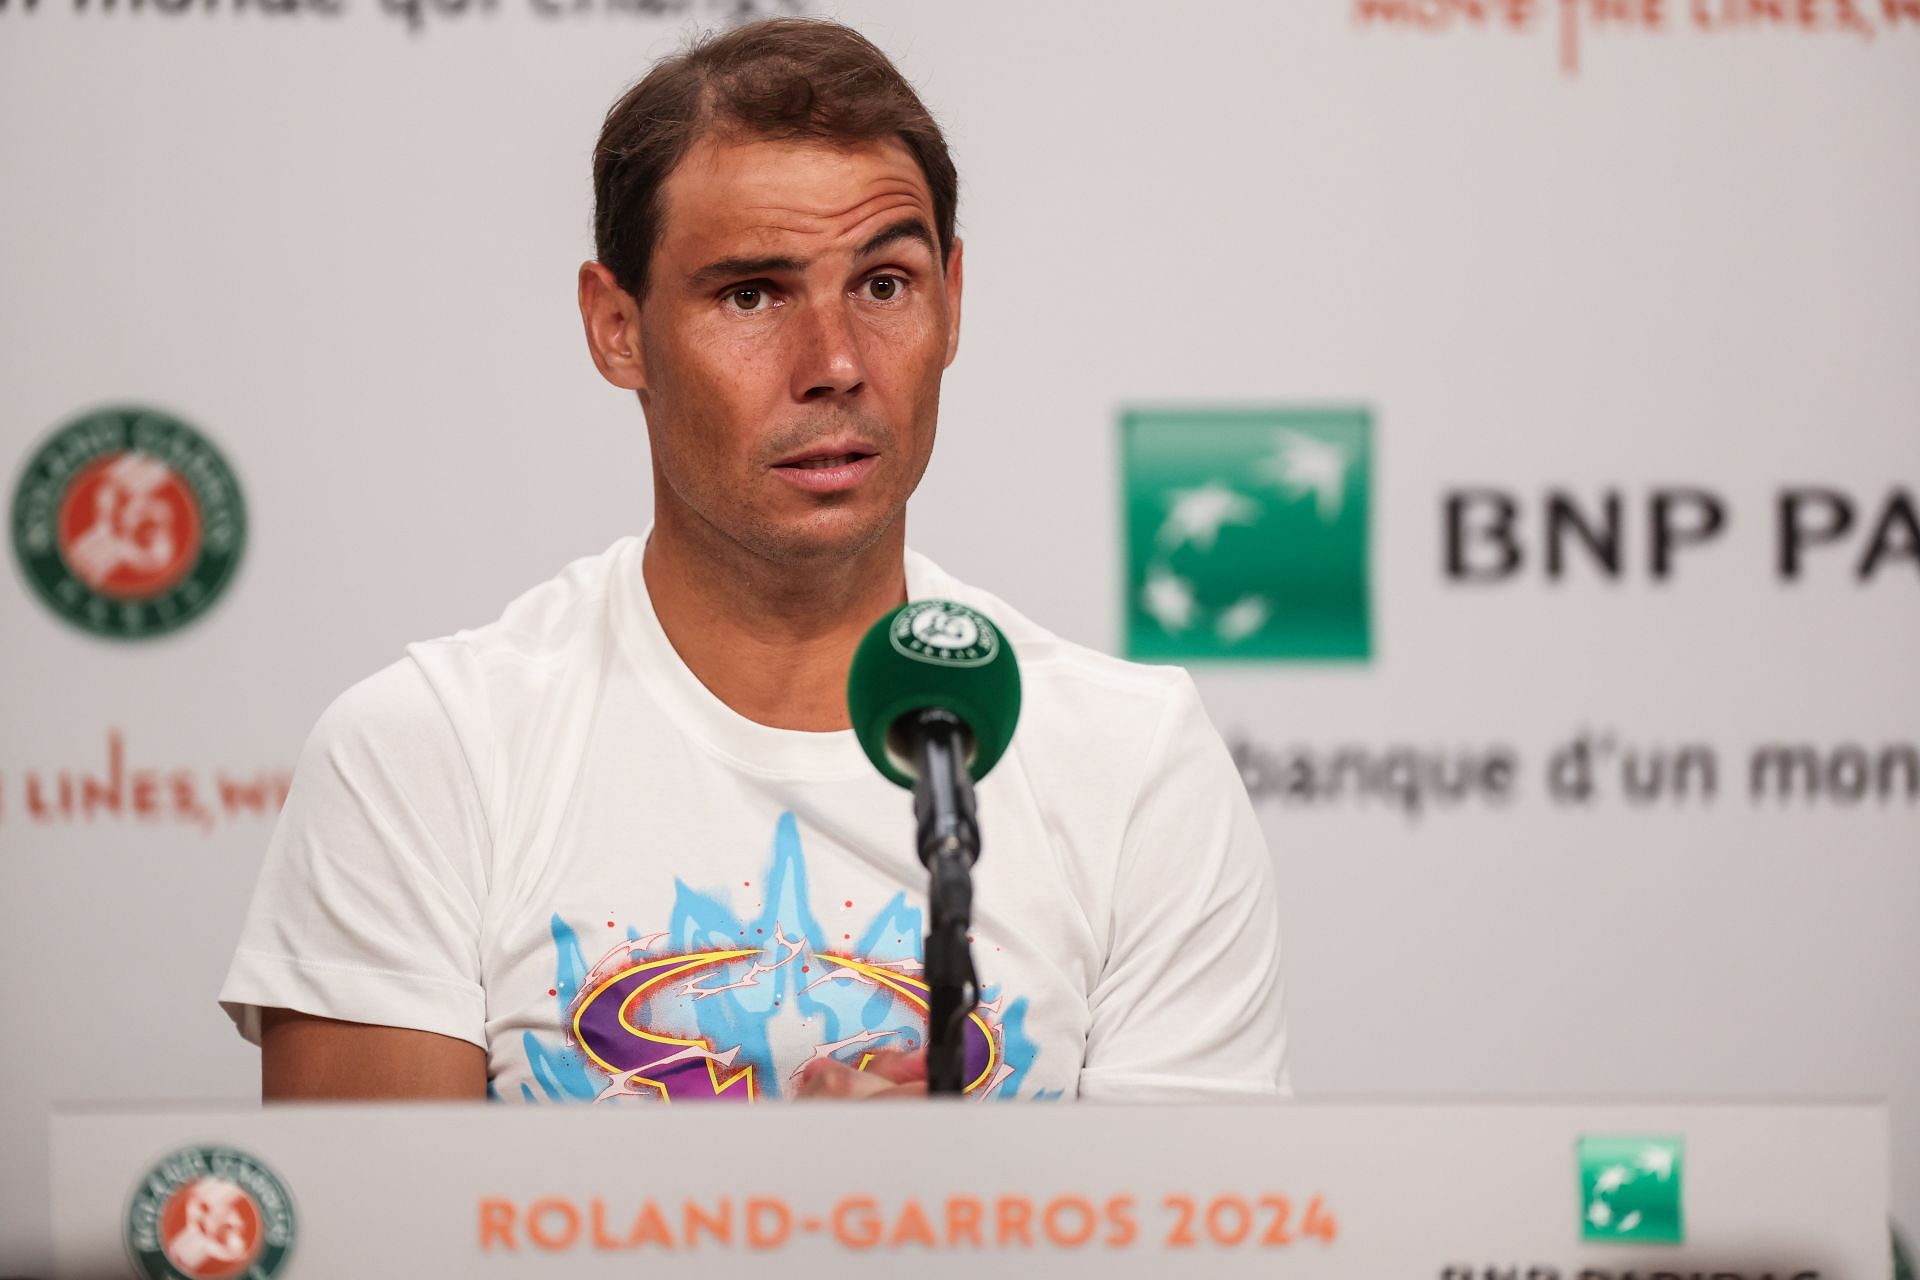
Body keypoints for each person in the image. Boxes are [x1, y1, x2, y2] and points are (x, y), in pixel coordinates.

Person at [218, 17, 1287, 1104]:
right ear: (617, 327)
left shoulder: (1135, 763)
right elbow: (378, 1248)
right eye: (751, 294)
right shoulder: (425, 754)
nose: (833, 364)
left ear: (951, 300)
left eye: (883, 283)